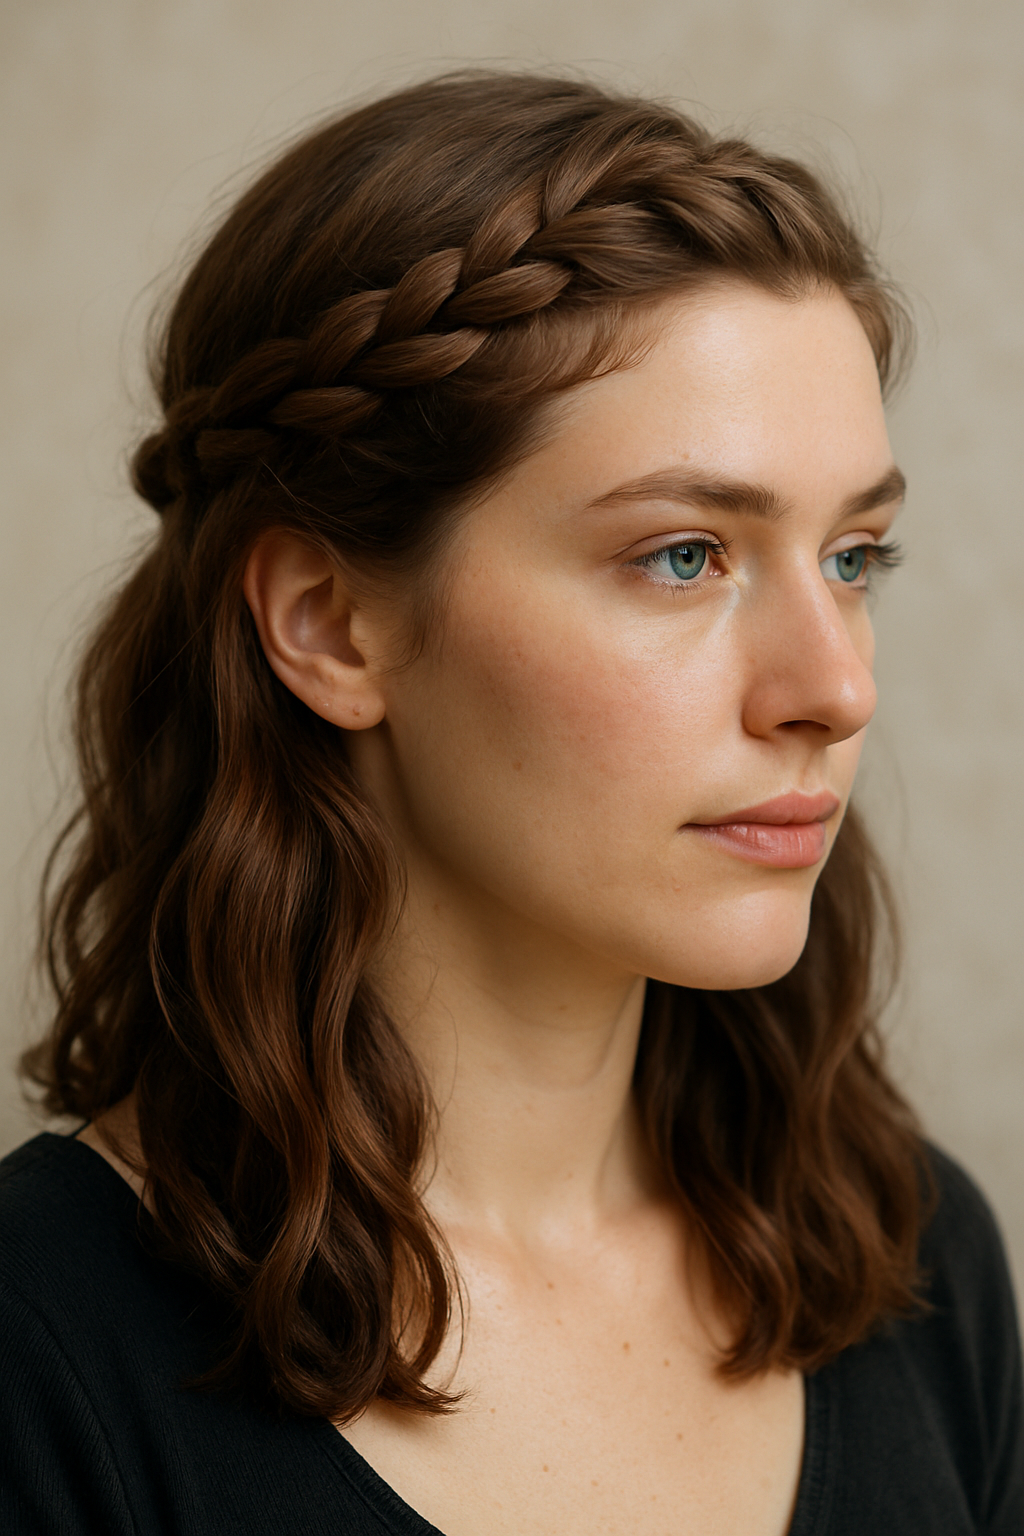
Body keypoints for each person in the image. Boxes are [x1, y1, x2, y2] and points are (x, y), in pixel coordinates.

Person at [1, 71, 1021, 1536]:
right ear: (331, 624)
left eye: (856, 557)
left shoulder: (911, 1264)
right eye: (685, 556)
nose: (833, 688)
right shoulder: (42, 1361)